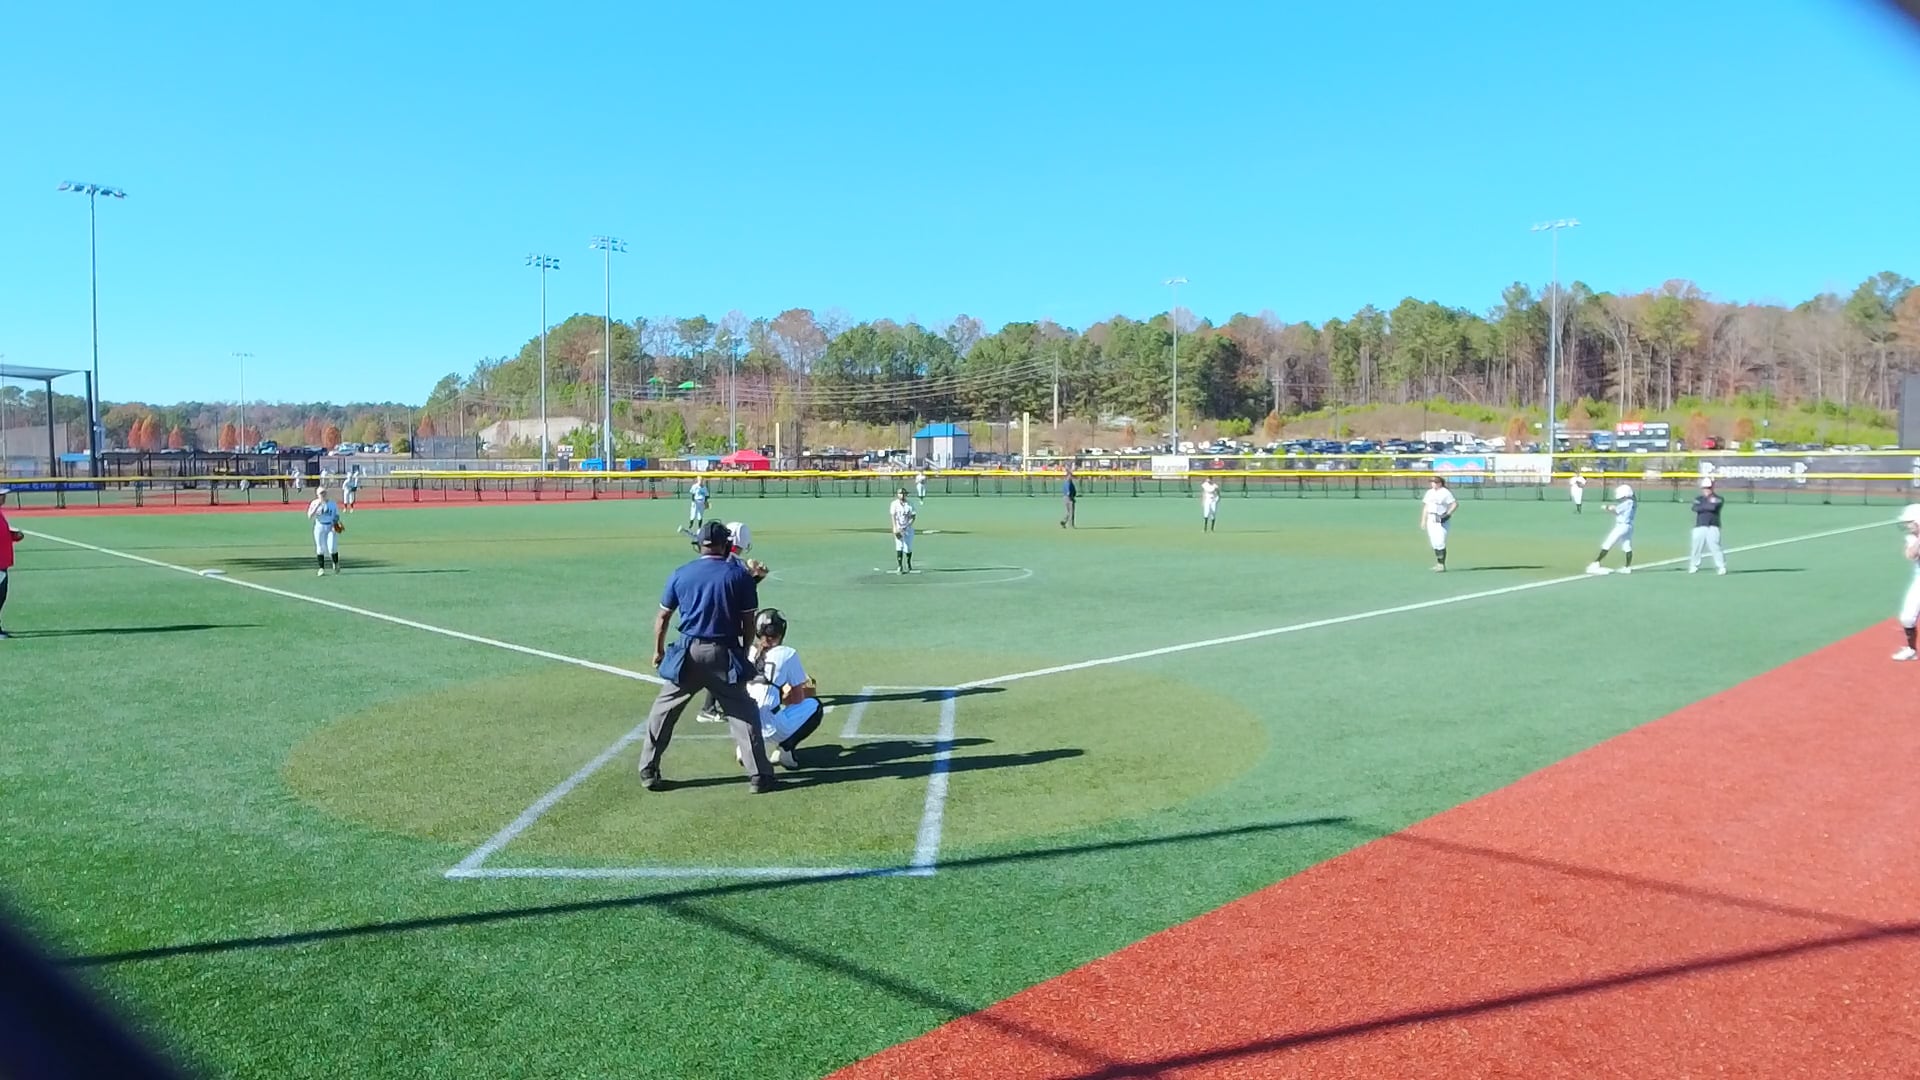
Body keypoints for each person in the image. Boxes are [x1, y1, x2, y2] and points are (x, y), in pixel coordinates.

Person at [638, 521, 776, 793]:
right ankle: (759, 775)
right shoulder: (739, 576)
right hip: (724, 653)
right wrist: (744, 651)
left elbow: (663, 617)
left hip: (687, 653)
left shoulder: (681, 573)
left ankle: (648, 769)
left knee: (663, 710)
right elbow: (748, 621)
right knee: (743, 713)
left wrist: (658, 650)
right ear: (726, 544)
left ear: (699, 545)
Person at [729, 609, 822, 771]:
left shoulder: (746, 650)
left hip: (741, 723)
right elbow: (798, 698)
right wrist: (783, 696)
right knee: (815, 705)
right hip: (770, 727)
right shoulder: (788, 653)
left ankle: (744, 746)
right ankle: (786, 750)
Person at [1587, 483, 1637, 575]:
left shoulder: (1627, 503)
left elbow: (1616, 510)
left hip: (1621, 526)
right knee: (1627, 545)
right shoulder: (1633, 502)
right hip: (1628, 526)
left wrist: (1606, 507)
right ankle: (1627, 567)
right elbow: (1618, 512)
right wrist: (1611, 509)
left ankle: (1596, 563)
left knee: (1608, 543)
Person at [1894, 504, 1920, 661]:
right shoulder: (1911, 538)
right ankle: (1911, 650)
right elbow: (1911, 555)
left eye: (1909, 522)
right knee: (1907, 617)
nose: (1906, 525)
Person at [1688, 476, 1727, 575]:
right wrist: (1706, 506)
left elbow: (1713, 507)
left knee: (1715, 547)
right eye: (1705, 488)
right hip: (1700, 526)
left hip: (1713, 526)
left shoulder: (1718, 498)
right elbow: (1694, 508)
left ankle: (1721, 566)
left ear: (1712, 488)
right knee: (1696, 547)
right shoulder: (1698, 498)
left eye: (1708, 488)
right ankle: (1694, 565)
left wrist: (1703, 506)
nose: (1706, 490)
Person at [1420, 475, 1456, 572]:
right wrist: (1423, 520)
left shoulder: (1445, 492)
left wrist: (1448, 514)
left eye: (1435, 482)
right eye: (1432, 482)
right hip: (1431, 518)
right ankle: (1438, 563)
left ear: (1440, 483)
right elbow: (1426, 507)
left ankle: (1441, 565)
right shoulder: (1429, 492)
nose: (1433, 484)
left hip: (1441, 519)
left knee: (1440, 542)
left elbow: (1454, 504)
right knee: (1434, 543)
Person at [0, 488, 22, 639]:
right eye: (1, 495)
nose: (4, 498)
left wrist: (13, 536)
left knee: (1, 596)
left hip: (3, 562)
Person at [307, 486, 343, 576]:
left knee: (332, 547)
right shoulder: (314, 503)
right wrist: (317, 506)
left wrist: (336, 523)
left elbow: (336, 515)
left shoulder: (332, 504)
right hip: (319, 526)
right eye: (321, 493)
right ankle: (321, 568)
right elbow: (310, 516)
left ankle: (335, 563)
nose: (323, 495)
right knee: (320, 548)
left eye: (324, 492)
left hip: (330, 526)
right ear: (317, 494)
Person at [889, 488, 917, 574]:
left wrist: (907, 525)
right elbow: (893, 516)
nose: (902, 495)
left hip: (908, 529)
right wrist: (895, 528)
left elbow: (913, 517)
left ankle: (908, 563)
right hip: (898, 528)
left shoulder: (910, 504)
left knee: (908, 548)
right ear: (897, 494)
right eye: (900, 493)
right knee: (899, 546)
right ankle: (900, 566)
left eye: (904, 493)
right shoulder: (894, 504)